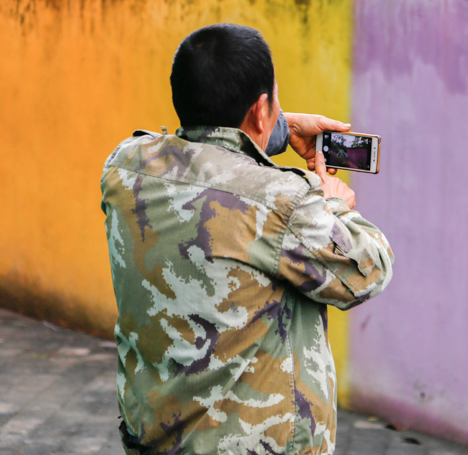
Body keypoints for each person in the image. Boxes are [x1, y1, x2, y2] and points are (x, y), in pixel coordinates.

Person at [100, 23, 394, 455]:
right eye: (274, 100)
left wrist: (279, 128)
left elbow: (206, 152)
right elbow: (369, 270)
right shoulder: (282, 204)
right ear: (260, 108)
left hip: (152, 438)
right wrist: (334, 205)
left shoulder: (125, 166)